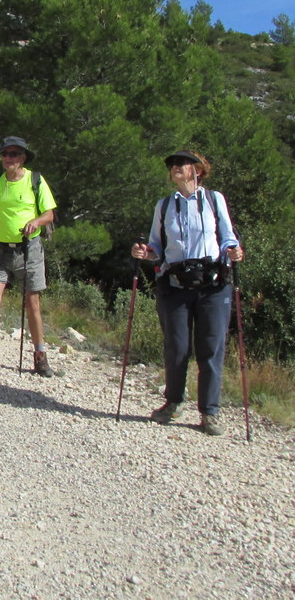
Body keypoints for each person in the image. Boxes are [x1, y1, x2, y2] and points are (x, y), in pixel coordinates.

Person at [131, 151, 243, 436]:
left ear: (197, 171)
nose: (175, 168)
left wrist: (234, 250)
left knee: (211, 348)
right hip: (175, 284)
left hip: (213, 285)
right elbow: (157, 245)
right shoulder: (165, 205)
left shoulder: (215, 201)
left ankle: (209, 412)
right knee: (177, 347)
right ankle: (173, 402)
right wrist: (145, 252)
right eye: (172, 165)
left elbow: (228, 236)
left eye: (182, 164)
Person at [0, 136, 57, 377]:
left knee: (32, 302)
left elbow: (49, 214)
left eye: (14, 154)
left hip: (29, 248)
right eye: (5, 154)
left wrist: (35, 221)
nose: (8, 158)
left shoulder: (35, 180)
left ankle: (40, 354)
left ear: (23, 158)